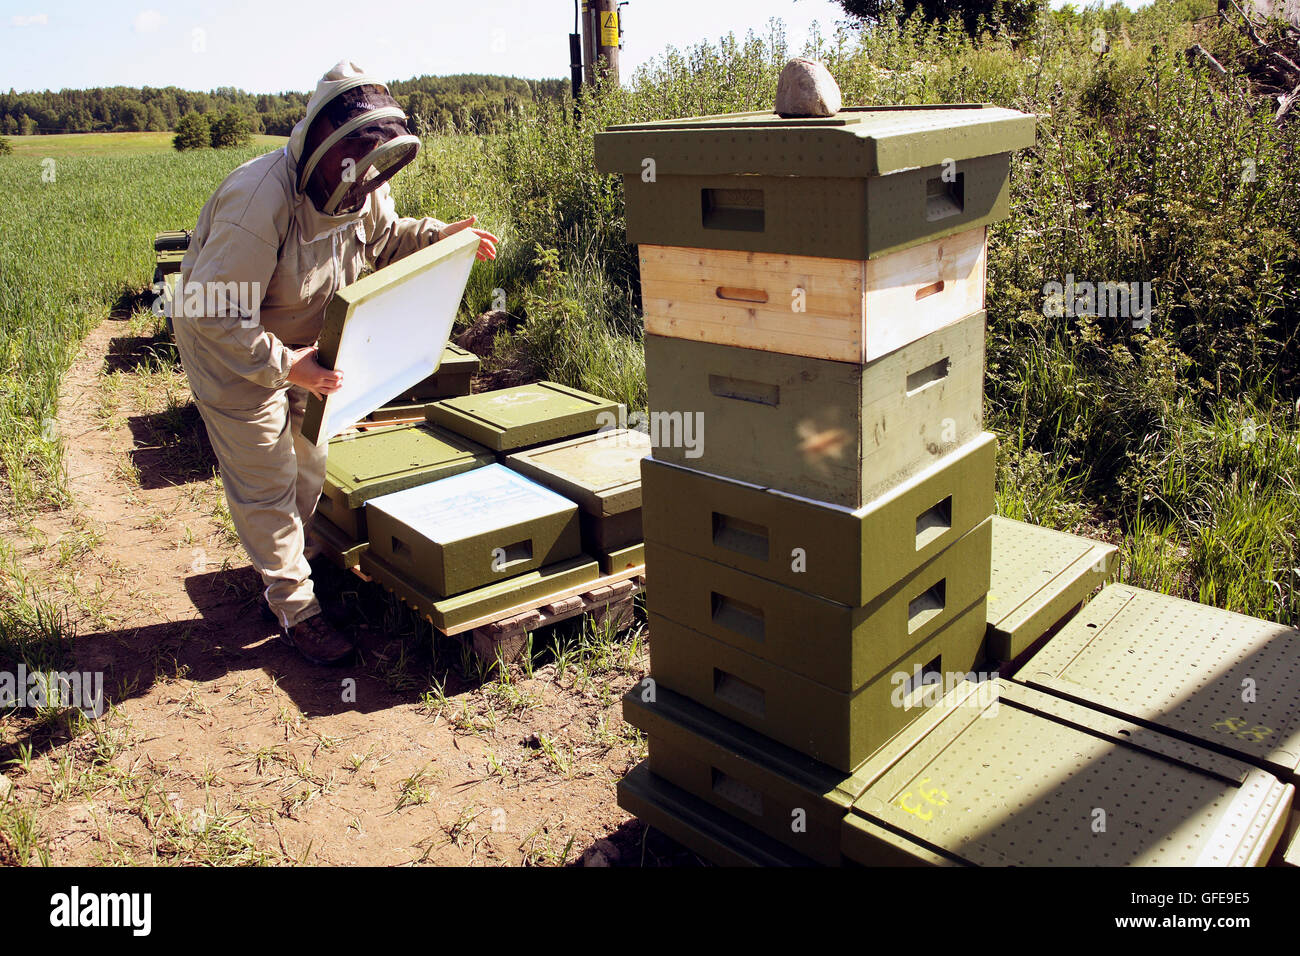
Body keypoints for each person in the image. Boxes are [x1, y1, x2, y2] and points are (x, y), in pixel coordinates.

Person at [173, 61, 497, 665]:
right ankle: (297, 608)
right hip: (230, 347)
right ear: (323, 149)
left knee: (310, 458)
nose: (361, 185)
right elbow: (207, 313)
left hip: (309, 343)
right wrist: (283, 365)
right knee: (266, 476)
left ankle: (290, 562)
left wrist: (437, 238)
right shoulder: (257, 201)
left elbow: (387, 236)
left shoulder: (360, 181)